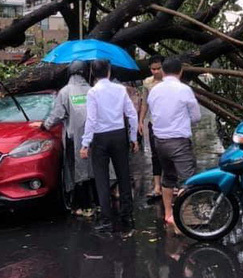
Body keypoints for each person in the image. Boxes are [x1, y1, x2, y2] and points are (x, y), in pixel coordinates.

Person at [80, 59, 138, 235]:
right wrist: (133, 137)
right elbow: (132, 114)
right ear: (109, 71)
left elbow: (91, 120)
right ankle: (127, 215)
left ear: (92, 72)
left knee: (102, 179)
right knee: (123, 174)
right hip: (119, 134)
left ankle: (106, 219)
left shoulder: (93, 93)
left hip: (100, 137)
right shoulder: (120, 89)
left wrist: (85, 143)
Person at [31, 60, 96, 215]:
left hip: (73, 138)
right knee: (92, 169)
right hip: (93, 138)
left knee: (76, 171)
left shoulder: (65, 92)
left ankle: (79, 206)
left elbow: (57, 115)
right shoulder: (92, 90)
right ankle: (95, 204)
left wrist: (44, 126)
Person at [147, 57, 200, 233]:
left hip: (159, 140)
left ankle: (168, 214)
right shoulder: (184, 90)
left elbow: (153, 113)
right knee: (187, 180)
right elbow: (196, 117)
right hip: (178, 141)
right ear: (180, 71)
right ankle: (183, 219)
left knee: (168, 177)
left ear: (163, 71)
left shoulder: (154, 90)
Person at [138, 55, 164, 198]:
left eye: (158, 68)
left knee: (169, 155)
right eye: (153, 69)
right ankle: (157, 186)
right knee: (155, 155)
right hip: (153, 123)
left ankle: (171, 185)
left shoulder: (169, 82)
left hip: (168, 124)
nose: (155, 72)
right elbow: (144, 103)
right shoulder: (147, 82)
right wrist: (140, 120)